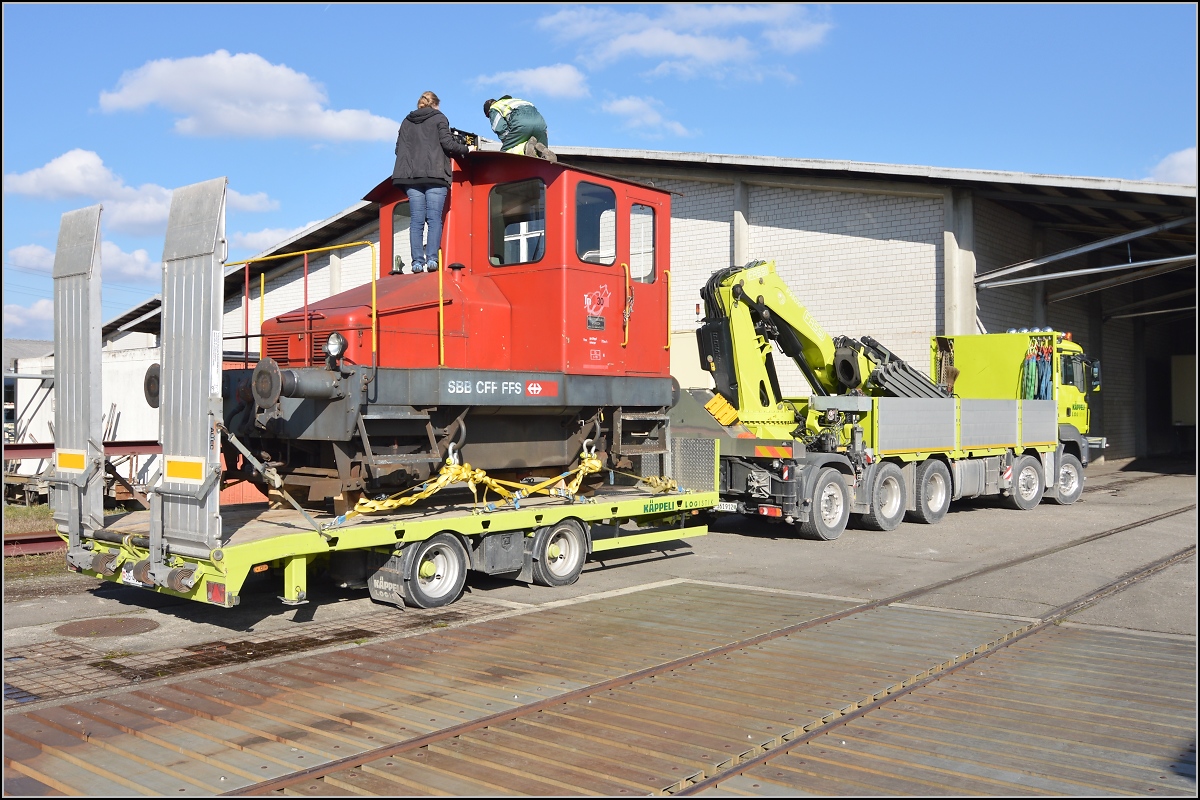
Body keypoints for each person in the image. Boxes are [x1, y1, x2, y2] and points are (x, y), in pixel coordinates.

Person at [391, 91, 475, 273]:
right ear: (435, 104)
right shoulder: (439, 118)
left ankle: (416, 262)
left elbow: (398, 149)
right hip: (434, 175)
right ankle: (432, 260)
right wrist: (467, 149)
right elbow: (448, 144)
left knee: (416, 221)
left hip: (410, 178)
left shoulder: (406, 121)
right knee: (434, 219)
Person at [484, 96, 556, 162]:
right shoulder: (514, 101)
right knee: (538, 148)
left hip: (521, 124)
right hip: (541, 126)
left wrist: (508, 141)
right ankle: (543, 154)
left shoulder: (493, 108)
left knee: (505, 154)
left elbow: (499, 127)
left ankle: (524, 148)